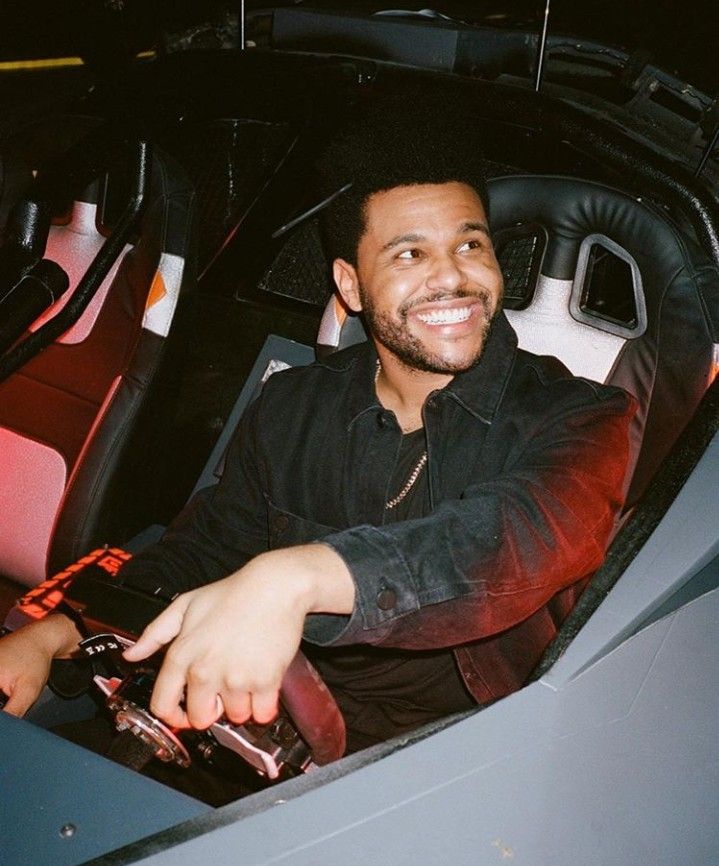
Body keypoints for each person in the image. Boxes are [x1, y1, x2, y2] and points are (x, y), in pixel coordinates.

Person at [0, 97, 636, 762]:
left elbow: (504, 545)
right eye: (408, 254)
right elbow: (205, 547)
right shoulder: (291, 405)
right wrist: (60, 631)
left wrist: (298, 578)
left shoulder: (580, 418)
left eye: (469, 245)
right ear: (350, 286)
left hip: (455, 760)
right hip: (257, 719)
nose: (452, 276)